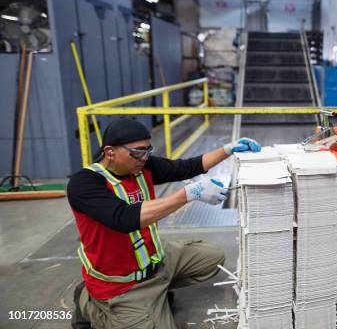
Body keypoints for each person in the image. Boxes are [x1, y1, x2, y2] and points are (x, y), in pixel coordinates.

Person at [67, 118, 261, 329]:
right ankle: (90, 304)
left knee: (213, 258)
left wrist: (227, 149)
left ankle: (157, 291)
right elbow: (123, 218)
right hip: (121, 285)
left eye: (148, 150)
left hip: (155, 263)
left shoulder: (142, 166)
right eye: (138, 152)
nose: (145, 157)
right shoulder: (84, 183)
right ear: (110, 152)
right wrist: (189, 194)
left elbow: (184, 167)